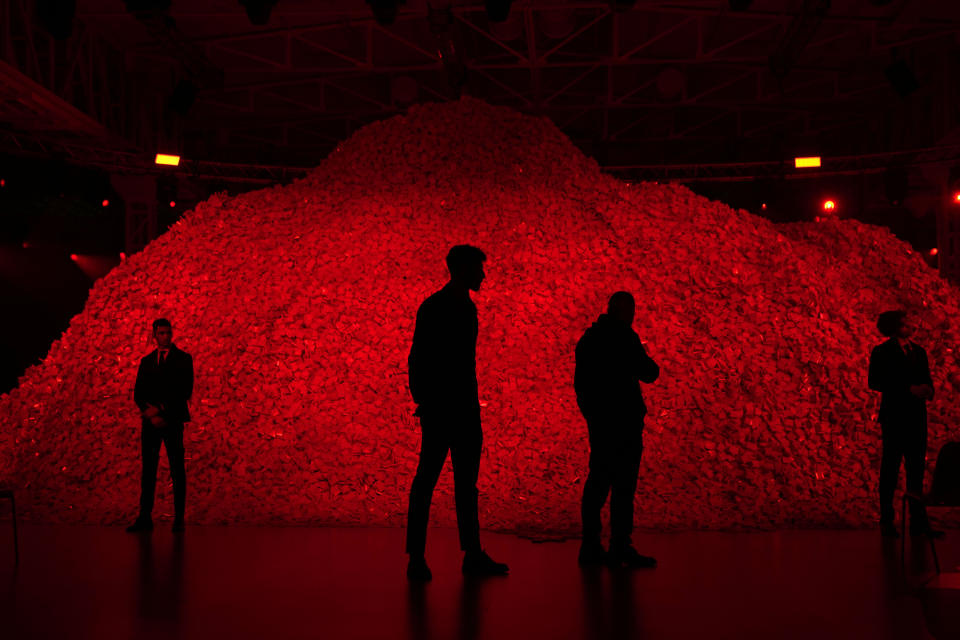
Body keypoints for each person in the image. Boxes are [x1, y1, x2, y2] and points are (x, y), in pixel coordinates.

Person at [405, 245, 509, 581]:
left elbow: (419, 357)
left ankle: (423, 557)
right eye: (479, 269)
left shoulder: (441, 306)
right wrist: (429, 399)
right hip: (454, 408)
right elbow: (423, 357)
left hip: (449, 408)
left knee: (434, 482)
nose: (483, 275)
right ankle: (465, 554)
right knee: (454, 484)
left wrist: (425, 398)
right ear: (464, 270)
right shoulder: (453, 308)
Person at [574, 292, 659, 568]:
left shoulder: (589, 340)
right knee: (624, 485)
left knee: (597, 481)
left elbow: (581, 385)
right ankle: (620, 545)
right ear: (628, 312)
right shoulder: (625, 338)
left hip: (601, 423)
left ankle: (590, 545)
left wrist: (592, 415)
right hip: (625, 423)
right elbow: (650, 373)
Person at [868, 309, 943, 539]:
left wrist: (929, 390)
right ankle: (887, 521)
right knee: (890, 470)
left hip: (916, 417)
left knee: (916, 471)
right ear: (894, 327)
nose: (911, 327)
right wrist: (908, 389)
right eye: (905, 324)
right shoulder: (882, 352)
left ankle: (918, 523)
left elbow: (926, 377)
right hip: (894, 417)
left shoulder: (918, 352)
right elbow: (875, 381)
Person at [126, 318, 194, 533]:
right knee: (149, 470)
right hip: (152, 423)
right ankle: (145, 517)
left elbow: (185, 390)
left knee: (177, 469)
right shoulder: (146, 362)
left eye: (168, 332)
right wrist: (150, 413)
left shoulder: (183, 359)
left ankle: (179, 519)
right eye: (161, 333)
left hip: (172, 421)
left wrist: (159, 410)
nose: (165, 336)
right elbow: (138, 393)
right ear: (154, 335)